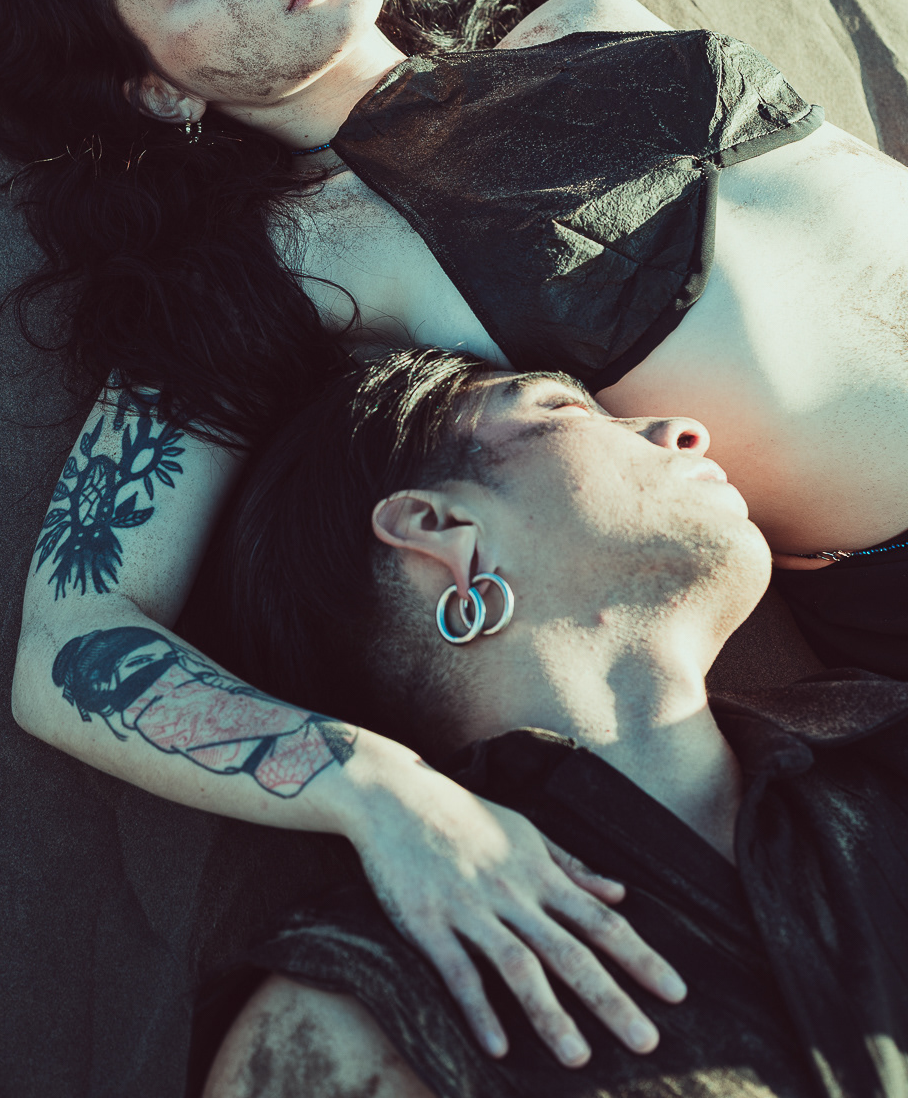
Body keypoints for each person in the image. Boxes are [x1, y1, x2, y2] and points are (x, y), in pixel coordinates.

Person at [0, 0, 908, 1057]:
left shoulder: (580, 18)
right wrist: (372, 790)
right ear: (157, 91)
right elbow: (72, 640)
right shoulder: (303, 261)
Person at [187, 348, 908, 1098]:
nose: (684, 429)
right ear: (441, 528)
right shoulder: (365, 1019)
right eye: (563, 407)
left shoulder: (882, 738)